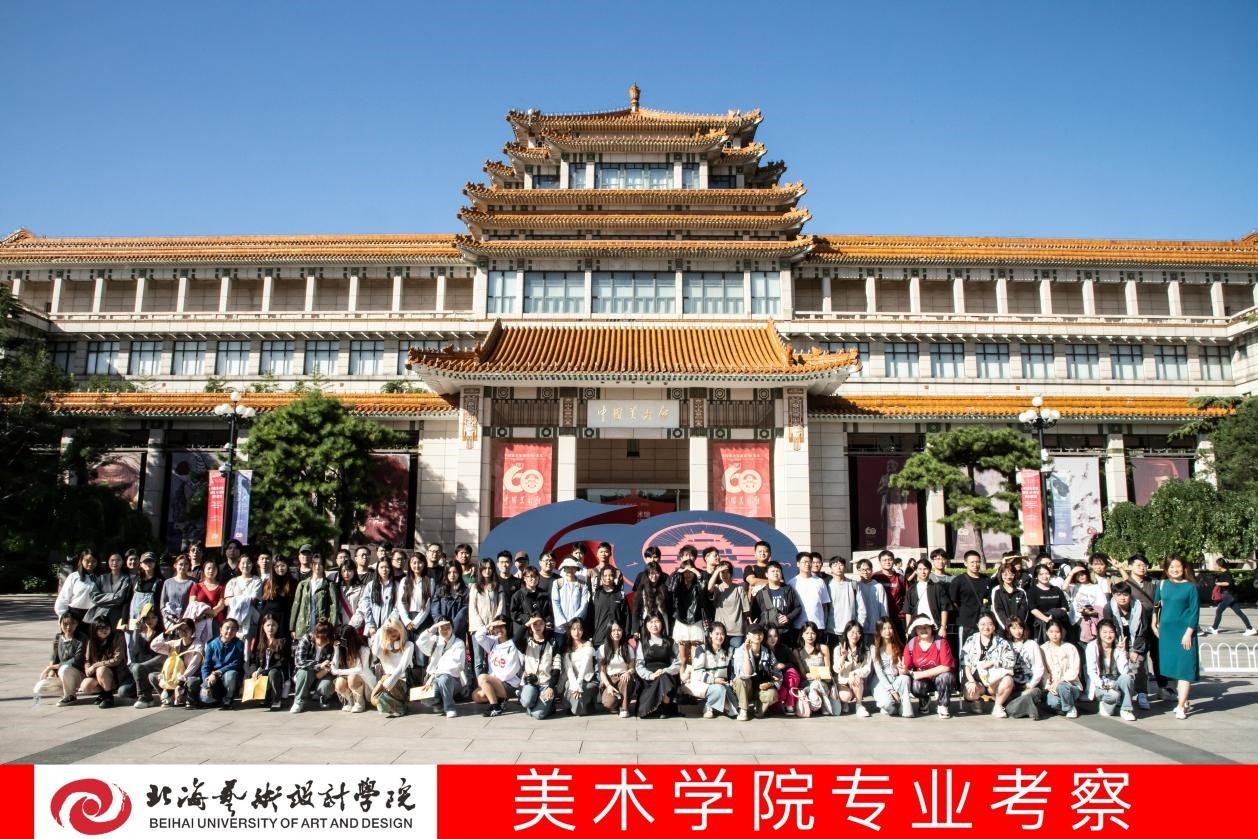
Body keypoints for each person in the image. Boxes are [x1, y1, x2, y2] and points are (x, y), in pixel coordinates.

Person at [1153, 555, 1200, 720]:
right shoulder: (1162, 584)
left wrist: (1189, 633)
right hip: (1167, 632)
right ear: (1166, 569)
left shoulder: (1190, 587)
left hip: (1184, 633)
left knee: (1185, 670)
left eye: (1178, 566)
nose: (1175, 570)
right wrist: (1154, 623)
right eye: (1171, 567)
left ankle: (1180, 706)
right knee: (1173, 668)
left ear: (1184, 568)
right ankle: (1183, 700)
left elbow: (1195, 612)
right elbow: (1156, 605)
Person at [1104, 581, 1152, 710]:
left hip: (1136, 640)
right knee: (1119, 666)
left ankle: (1142, 693)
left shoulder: (1139, 607)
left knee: (1139, 665)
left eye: (1125, 594)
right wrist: (1118, 647)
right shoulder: (1108, 608)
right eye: (1118, 595)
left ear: (1130, 595)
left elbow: (1143, 630)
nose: (1122, 598)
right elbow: (1108, 629)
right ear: (1114, 595)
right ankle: (1121, 693)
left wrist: (1136, 650)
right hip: (1117, 640)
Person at [960, 612, 1017, 718]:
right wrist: (971, 681)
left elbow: (1011, 661)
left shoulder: (1002, 642)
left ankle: (998, 706)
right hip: (976, 679)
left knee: (1008, 680)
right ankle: (977, 700)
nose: (986, 627)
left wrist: (994, 662)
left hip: (994, 680)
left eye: (990, 624)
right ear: (977, 625)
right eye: (982, 624)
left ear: (994, 626)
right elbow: (965, 663)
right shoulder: (971, 640)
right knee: (969, 692)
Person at [903, 616, 957, 718]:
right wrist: (902, 669)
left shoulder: (941, 642)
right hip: (923, 681)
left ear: (931, 628)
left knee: (946, 677)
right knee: (916, 686)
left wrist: (921, 674)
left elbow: (946, 667)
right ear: (915, 630)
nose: (923, 630)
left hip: (939, 678)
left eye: (926, 627)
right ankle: (924, 699)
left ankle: (943, 704)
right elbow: (907, 667)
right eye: (919, 627)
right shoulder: (911, 644)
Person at [1086, 618, 1136, 721]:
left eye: (1111, 632)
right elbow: (1091, 671)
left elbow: (1124, 672)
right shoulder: (1092, 647)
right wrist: (1103, 684)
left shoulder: (1118, 646)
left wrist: (1122, 652)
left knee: (1126, 678)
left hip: (1115, 682)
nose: (1108, 635)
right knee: (1111, 701)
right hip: (1101, 683)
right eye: (1104, 632)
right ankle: (1106, 703)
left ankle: (1126, 709)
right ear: (1099, 633)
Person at [472, 618, 522, 717]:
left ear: (507, 627)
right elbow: (478, 636)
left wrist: (494, 679)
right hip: (496, 682)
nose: (499, 629)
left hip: (509, 684)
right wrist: (489, 625)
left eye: (502, 626)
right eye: (496, 627)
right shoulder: (492, 642)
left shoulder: (514, 643)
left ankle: (495, 707)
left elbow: (512, 668)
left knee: (482, 677)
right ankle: (500, 700)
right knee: (476, 696)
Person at [946, 550, 990, 665]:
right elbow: (953, 601)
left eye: (977, 562)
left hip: (983, 622)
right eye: (972, 562)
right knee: (965, 651)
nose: (975, 565)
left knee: (983, 651)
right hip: (966, 622)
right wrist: (963, 611)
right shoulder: (958, 581)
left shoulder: (986, 580)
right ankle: (963, 674)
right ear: (965, 563)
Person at [635, 612, 681, 718]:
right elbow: (639, 664)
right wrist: (650, 675)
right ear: (646, 625)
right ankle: (660, 706)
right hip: (649, 679)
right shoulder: (642, 643)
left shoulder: (670, 642)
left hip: (667, 675)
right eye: (651, 622)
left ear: (662, 623)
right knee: (661, 678)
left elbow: (677, 663)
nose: (654, 625)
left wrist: (665, 671)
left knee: (664, 678)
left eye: (657, 621)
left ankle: (665, 705)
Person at [418, 617, 465, 718]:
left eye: (447, 627)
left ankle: (450, 708)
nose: (444, 630)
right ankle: (441, 705)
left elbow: (453, 666)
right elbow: (420, 642)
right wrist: (433, 627)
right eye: (441, 628)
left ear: (452, 628)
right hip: (433, 680)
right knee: (426, 699)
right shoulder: (435, 641)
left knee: (444, 679)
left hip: (452, 680)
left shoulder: (458, 643)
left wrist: (434, 675)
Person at [687, 622, 737, 719]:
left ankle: (718, 705)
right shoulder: (701, 649)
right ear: (710, 634)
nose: (720, 637)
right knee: (719, 689)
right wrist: (713, 680)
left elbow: (731, 670)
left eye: (722, 634)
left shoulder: (728, 650)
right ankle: (708, 707)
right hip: (702, 682)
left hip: (721, 683)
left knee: (734, 710)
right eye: (717, 634)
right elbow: (697, 673)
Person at [151, 618, 203, 708]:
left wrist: (180, 683)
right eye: (180, 629)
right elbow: (154, 646)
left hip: (187, 677)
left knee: (192, 681)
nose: (183, 631)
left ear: (193, 630)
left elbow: (193, 667)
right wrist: (167, 632)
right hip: (173, 677)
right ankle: (169, 696)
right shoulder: (174, 644)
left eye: (186, 628)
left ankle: (189, 698)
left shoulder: (198, 646)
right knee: (152, 676)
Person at [668, 558, 709, 669]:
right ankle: (682, 676)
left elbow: (704, 588)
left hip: (696, 620)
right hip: (681, 620)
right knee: (683, 658)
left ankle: (694, 676)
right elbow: (670, 588)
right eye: (685, 572)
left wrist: (697, 572)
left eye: (690, 571)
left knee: (696, 657)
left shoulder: (697, 585)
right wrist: (677, 572)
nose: (688, 574)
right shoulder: (678, 584)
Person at [517, 614, 560, 720]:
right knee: (526, 702)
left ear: (545, 625)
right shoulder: (527, 642)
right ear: (530, 626)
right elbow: (516, 639)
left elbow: (556, 668)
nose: (538, 626)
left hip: (545, 685)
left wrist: (551, 687)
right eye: (535, 624)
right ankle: (535, 702)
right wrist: (527, 623)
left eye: (541, 623)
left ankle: (549, 706)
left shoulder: (553, 643)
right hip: (530, 683)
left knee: (538, 715)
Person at [732, 625, 779, 721]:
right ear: (747, 636)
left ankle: (759, 708)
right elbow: (746, 673)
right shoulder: (739, 651)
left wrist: (772, 682)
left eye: (760, 633)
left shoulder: (768, 652)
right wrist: (746, 652)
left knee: (773, 694)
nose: (757, 635)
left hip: (761, 689)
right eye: (754, 633)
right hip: (746, 689)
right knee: (740, 680)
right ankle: (743, 709)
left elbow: (777, 673)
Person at [869, 616, 912, 717]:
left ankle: (905, 708)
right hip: (880, 682)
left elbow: (901, 672)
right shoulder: (874, 648)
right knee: (886, 704)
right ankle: (889, 707)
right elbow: (879, 673)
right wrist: (892, 691)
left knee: (905, 678)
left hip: (895, 678)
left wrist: (902, 670)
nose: (887, 631)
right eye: (884, 628)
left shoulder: (898, 646)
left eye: (890, 628)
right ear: (879, 631)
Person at [751, 561, 802, 647]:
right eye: (773, 571)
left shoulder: (788, 590)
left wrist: (788, 617)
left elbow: (798, 608)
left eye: (778, 571)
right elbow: (755, 613)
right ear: (766, 574)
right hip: (767, 633)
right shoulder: (761, 593)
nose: (776, 573)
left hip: (785, 633)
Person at [290, 618, 336, 713]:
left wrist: (325, 670)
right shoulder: (306, 639)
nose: (323, 643)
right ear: (315, 635)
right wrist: (319, 666)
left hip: (324, 674)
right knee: (304, 672)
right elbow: (299, 662)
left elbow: (334, 663)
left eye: (326, 641)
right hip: (306, 673)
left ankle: (324, 698)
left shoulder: (332, 644)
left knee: (326, 685)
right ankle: (299, 702)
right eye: (321, 640)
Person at [1003, 617, 1045, 719]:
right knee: (1008, 707)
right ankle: (1029, 708)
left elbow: (1039, 667)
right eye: (1014, 628)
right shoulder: (1005, 645)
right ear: (1008, 629)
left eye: (1020, 628)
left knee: (1033, 693)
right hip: (1013, 688)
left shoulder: (1032, 644)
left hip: (1030, 686)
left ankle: (1024, 706)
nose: (1018, 631)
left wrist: (1030, 685)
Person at [1040, 617, 1082, 718]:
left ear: (1061, 632)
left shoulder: (1070, 648)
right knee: (1053, 703)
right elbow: (1044, 671)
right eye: (1051, 632)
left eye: (1057, 632)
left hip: (1070, 685)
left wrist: (1059, 681)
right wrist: (1048, 686)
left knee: (1062, 686)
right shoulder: (1043, 649)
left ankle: (1070, 708)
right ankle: (1066, 704)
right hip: (1053, 686)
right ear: (1047, 632)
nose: (1054, 635)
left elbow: (1074, 669)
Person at [200, 617, 246, 710]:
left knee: (231, 674)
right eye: (227, 628)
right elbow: (206, 666)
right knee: (206, 699)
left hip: (229, 676)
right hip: (214, 678)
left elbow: (236, 663)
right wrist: (206, 681)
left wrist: (217, 672)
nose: (229, 631)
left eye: (233, 629)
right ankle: (216, 697)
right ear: (221, 629)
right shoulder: (212, 644)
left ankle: (228, 698)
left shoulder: (239, 644)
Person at [249, 613, 291, 711]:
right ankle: (265, 697)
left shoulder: (283, 642)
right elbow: (253, 660)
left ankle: (277, 699)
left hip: (277, 674)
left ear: (278, 626)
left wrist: (264, 671)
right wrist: (254, 671)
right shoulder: (259, 642)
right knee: (256, 672)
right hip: (262, 673)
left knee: (273, 673)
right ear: (263, 627)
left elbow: (282, 663)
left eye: (273, 625)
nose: (270, 628)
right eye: (268, 625)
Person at [469, 559, 504, 677]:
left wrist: (494, 623)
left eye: (490, 568)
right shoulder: (475, 587)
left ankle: (492, 683)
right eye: (484, 568)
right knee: (479, 660)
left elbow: (501, 605)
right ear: (480, 570)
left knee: (493, 658)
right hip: (477, 628)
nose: (487, 571)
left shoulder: (498, 586)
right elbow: (473, 608)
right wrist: (482, 627)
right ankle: (480, 685)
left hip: (494, 628)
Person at [43, 614, 86, 706]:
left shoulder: (82, 638)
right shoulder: (58, 637)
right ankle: (64, 692)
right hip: (62, 673)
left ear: (77, 624)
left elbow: (76, 660)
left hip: (78, 673)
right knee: (41, 687)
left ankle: (70, 696)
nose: (68, 627)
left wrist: (52, 667)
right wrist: (51, 670)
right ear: (60, 624)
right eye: (65, 624)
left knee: (64, 669)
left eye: (72, 624)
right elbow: (54, 657)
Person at [128, 604, 166, 709]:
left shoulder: (162, 634)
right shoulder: (140, 634)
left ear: (158, 618)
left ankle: (145, 698)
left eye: (153, 617)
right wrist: (136, 630)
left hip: (156, 667)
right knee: (124, 691)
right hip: (140, 670)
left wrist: (143, 665)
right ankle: (145, 692)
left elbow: (162, 657)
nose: (150, 620)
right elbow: (134, 651)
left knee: (138, 667)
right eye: (147, 617)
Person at [290, 556, 338, 639]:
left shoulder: (329, 585)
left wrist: (332, 627)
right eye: (315, 564)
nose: (317, 566)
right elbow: (296, 605)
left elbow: (333, 607)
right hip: (303, 626)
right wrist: (292, 628)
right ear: (311, 565)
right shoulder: (303, 584)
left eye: (320, 564)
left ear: (324, 566)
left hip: (321, 626)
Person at [559, 618, 599, 716]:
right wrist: (575, 685)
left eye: (580, 629)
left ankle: (580, 705)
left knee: (576, 710)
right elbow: (569, 670)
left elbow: (584, 667)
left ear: (583, 630)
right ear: (569, 630)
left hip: (588, 680)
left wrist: (579, 684)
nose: (577, 632)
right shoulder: (567, 647)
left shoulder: (588, 644)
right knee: (568, 684)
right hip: (573, 680)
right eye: (573, 629)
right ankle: (581, 706)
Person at [331, 624, 374, 713]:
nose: (341, 643)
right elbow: (334, 664)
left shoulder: (364, 649)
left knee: (352, 677)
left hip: (364, 681)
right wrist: (336, 650)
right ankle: (350, 701)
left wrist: (338, 671)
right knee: (339, 683)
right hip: (350, 678)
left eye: (342, 641)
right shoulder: (342, 649)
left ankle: (359, 702)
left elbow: (360, 669)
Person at [707, 561, 751, 649]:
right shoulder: (717, 588)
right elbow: (709, 588)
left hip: (737, 632)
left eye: (727, 572)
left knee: (736, 656)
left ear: (731, 573)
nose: (724, 574)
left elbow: (746, 611)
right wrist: (717, 571)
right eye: (722, 572)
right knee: (721, 655)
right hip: (720, 632)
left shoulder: (739, 589)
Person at [831, 620, 870, 716]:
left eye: (858, 632)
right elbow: (836, 669)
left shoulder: (865, 650)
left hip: (857, 682)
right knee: (846, 696)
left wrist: (854, 673)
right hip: (843, 682)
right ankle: (844, 702)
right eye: (852, 632)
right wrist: (843, 657)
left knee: (856, 677)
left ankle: (859, 705)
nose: (855, 635)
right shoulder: (838, 649)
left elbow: (867, 669)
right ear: (846, 633)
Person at [904, 558, 950, 641]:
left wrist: (943, 627)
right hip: (917, 627)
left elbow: (944, 608)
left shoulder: (938, 588)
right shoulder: (912, 589)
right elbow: (908, 611)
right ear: (916, 571)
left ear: (930, 570)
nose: (923, 572)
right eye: (920, 569)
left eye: (925, 569)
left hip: (935, 626)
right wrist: (908, 629)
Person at [1207, 559, 1256, 635]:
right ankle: (1250, 628)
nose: (1215, 566)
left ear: (1220, 565)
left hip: (1228, 596)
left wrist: (1218, 583)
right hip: (1230, 596)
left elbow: (1228, 583)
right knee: (1239, 612)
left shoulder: (1226, 573)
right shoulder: (1224, 573)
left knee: (1219, 611)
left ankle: (1214, 628)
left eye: (1216, 564)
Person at [598, 621, 637, 717]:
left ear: (622, 631)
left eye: (619, 630)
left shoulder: (628, 648)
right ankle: (616, 704)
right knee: (609, 703)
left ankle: (624, 708)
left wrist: (628, 672)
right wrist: (608, 685)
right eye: (613, 630)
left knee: (625, 679)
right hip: (610, 679)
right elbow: (602, 671)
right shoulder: (602, 648)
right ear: (609, 632)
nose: (616, 633)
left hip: (623, 679)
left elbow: (632, 668)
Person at [550, 557, 590, 647]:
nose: (570, 570)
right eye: (567, 567)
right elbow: (555, 602)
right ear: (564, 568)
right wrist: (563, 622)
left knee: (575, 650)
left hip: (576, 628)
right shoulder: (557, 583)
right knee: (559, 650)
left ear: (577, 569)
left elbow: (584, 605)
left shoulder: (583, 585)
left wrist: (573, 622)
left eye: (573, 567)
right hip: (560, 627)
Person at [789, 552, 832, 634]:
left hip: (818, 625)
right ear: (798, 564)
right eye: (805, 562)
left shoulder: (820, 581)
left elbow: (824, 605)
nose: (807, 564)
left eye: (809, 562)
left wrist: (824, 622)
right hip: (798, 626)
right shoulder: (792, 583)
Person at [54, 550, 101, 624]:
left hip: (94, 616)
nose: (90, 564)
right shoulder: (74, 576)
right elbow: (63, 598)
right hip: (74, 616)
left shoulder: (101, 578)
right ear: (81, 561)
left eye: (93, 561)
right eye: (87, 561)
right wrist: (63, 615)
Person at [358, 557, 399, 640]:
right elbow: (366, 606)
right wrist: (370, 625)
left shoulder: (396, 585)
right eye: (381, 567)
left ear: (391, 569)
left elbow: (397, 608)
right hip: (373, 629)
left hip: (389, 628)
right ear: (377, 569)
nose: (384, 570)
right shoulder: (370, 585)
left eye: (387, 567)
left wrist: (387, 625)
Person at [1027, 562, 1070, 643]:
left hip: (1059, 625)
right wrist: (1046, 619)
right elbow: (1033, 609)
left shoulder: (1056, 589)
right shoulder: (1032, 591)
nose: (1045, 576)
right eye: (1041, 574)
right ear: (1036, 576)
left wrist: (1055, 615)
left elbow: (1065, 607)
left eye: (1047, 573)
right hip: (1041, 626)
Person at [510, 567, 552, 647]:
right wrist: (529, 619)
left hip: (541, 633)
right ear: (525, 578)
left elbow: (549, 612)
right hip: (524, 633)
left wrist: (546, 621)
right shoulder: (517, 595)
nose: (533, 579)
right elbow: (514, 613)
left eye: (536, 577)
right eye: (530, 577)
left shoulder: (544, 594)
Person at [224, 555, 261, 642]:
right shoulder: (232, 581)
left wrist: (235, 599)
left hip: (251, 619)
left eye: (248, 563)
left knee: (248, 646)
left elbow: (254, 599)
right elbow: (227, 601)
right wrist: (245, 599)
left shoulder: (257, 580)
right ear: (238, 565)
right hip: (233, 620)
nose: (245, 565)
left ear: (252, 565)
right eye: (243, 563)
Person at [256, 556, 296, 638]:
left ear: (287, 566)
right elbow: (263, 603)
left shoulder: (294, 583)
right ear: (273, 568)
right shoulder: (267, 583)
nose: (280, 568)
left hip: (285, 618)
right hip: (268, 617)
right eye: (277, 566)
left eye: (283, 565)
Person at [92, 552, 133, 631]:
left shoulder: (126, 579)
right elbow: (94, 597)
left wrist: (103, 599)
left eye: (118, 560)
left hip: (116, 616)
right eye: (112, 560)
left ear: (122, 562)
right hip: (100, 614)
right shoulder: (102, 578)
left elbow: (120, 598)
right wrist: (113, 596)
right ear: (108, 562)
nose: (115, 563)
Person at [589, 566, 628, 647]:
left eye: (610, 575)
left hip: (616, 640)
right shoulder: (595, 595)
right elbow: (590, 616)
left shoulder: (620, 595)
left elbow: (626, 616)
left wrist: (626, 635)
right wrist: (589, 636)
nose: (608, 578)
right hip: (599, 639)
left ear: (614, 577)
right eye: (605, 575)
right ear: (601, 577)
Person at [1066, 565, 1106, 644]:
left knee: (1087, 643)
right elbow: (1064, 587)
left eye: (1082, 574)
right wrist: (1072, 572)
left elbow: (1102, 606)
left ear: (1087, 573)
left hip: (1089, 620)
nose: (1080, 576)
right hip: (1074, 620)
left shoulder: (1096, 587)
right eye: (1077, 575)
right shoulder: (1075, 586)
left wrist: (1090, 612)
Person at [631, 561, 671, 638]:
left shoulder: (664, 588)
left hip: (662, 624)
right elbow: (636, 611)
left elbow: (669, 609)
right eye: (651, 573)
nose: (654, 576)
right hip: (646, 623)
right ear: (647, 575)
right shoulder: (642, 589)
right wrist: (635, 630)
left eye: (657, 573)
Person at [429, 563, 470, 640]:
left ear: (459, 573)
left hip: (458, 630)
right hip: (441, 628)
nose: (452, 575)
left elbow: (464, 611)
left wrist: (452, 628)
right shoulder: (440, 589)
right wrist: (441, 622)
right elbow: (434, 608)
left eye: (455, 572)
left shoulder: (465, 591)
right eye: (449, 572)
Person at [854, 559, 889, 643]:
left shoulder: (878, 586)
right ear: (858, 571)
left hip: (876, 627)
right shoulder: (856, 586)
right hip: (861, 628)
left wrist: (884, 625)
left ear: (872, 570)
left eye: (868, 569)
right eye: (862, 570)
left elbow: (884, 608)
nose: (865, 572)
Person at [990, 561, 1029, 631]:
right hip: (1003, 629)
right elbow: (998, 610)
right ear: (1001, 575)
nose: (1008, 577)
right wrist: (1007, 627)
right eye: (1005, 574)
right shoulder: (996, 591)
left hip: (1018, 629)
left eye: (1011, 574)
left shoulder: (1021, 592)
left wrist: (1017, 626)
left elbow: (1024, 610)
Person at [159, 554, 195, 628]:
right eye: (181, 564)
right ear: (175, 565)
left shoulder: (193, 582)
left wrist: (184, 618)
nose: (183, 567)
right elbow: (163, 604)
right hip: (169, 621)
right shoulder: (168, 582)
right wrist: (168, 616)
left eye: (186, 564)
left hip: (186, 621)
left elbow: (194, 604)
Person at [872, 550, 907, 627]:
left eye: (890, 559)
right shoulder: (875, 577)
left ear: (893, 561)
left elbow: (907, 597)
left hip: (898, 617)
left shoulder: (901, 578)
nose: (887, 562)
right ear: (880, 562)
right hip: (880, 617)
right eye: (884, 560)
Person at [190, 559, 227, 630]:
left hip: (215, 621)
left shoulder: (222, 588)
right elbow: (192, 603)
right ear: (204, 570)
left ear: (217, 571)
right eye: (209, 568)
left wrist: (211, 613)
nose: (211, 571)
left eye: (214, 568)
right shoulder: (196, 586)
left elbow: (221, 606)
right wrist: (206, 613)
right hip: (199, 619)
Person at [335, 560, 365, 629]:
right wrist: (339, 625)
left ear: (354, 571)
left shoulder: (361, 588)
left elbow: (361, 609)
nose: (346, 573)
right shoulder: (336, 588)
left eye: (349, 570)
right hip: (339, 628)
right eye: (344, 571)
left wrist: (351, 626)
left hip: (355, 627)